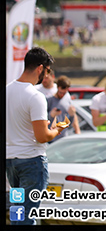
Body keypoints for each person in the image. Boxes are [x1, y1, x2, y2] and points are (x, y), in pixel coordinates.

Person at [6, 47, 65, 224]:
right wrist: (57, 129)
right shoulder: (35, 96)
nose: (46, 76)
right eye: (47, 71)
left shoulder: (7, 90)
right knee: (27, 215)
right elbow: (42, 137)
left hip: (11, 161)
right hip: (31, 161)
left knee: (18, 212)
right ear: (40, 68)